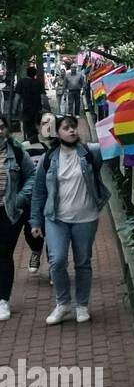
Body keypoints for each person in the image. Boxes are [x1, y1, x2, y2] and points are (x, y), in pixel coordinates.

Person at [30, 116, 110, 325]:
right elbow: (39, 192)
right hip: (57, 218)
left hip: (86, 217)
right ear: (57, 132)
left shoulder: (90, 152)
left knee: (83, 263)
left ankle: (81, 305)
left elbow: (111, 144)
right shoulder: (49, 159)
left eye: (73, 127)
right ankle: (63, 303)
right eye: (66, 128)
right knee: (56, 262)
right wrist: (35, 222)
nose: (72, 131)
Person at [0, 117, 36, 321]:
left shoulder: (17, 151)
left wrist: (20, 198)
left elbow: (32, 175)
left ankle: (3, 299)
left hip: (8, 211)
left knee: (4, 253)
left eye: (2, 127)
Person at [20, 112, 55, 274]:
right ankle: (36, 250)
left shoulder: (60, 145)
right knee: (30, 231)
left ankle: (54, 267)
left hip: (55, 197)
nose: (48, 127)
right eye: (44, 124)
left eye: (52, 124)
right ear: (37, 126)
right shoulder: (26, 146)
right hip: (32, 196)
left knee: (54, 233)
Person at [15, 65, 45, 142]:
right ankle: (35, 139)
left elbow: (17, 97)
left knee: (27, 126)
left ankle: (28, 140)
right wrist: (45, 107)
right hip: (37, 109)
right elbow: (43, 97)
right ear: (35, 74)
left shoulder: (21, 82)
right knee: (36, 126)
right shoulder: (39, 82)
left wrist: (15, 108)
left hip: (26, 109)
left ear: (27, 73)